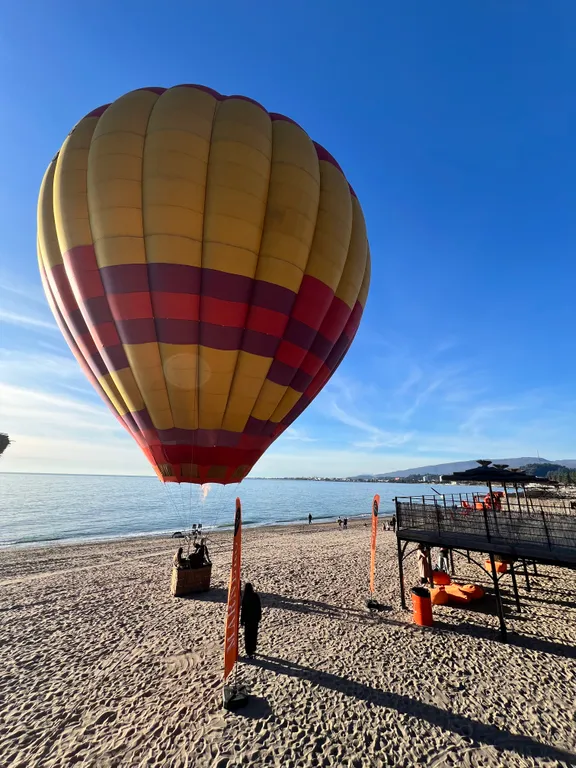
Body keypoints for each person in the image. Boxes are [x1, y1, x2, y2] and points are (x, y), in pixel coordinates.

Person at [241, 583, 262, 658]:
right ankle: (253, 648)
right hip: (255, 620)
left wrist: (242, 620)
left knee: (248, 636)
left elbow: (243, 611)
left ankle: (249, 652)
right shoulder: (255, 596)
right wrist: (259, 617)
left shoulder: (245, 597)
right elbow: (259, 607)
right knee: (254, 634)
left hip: (248, 620)